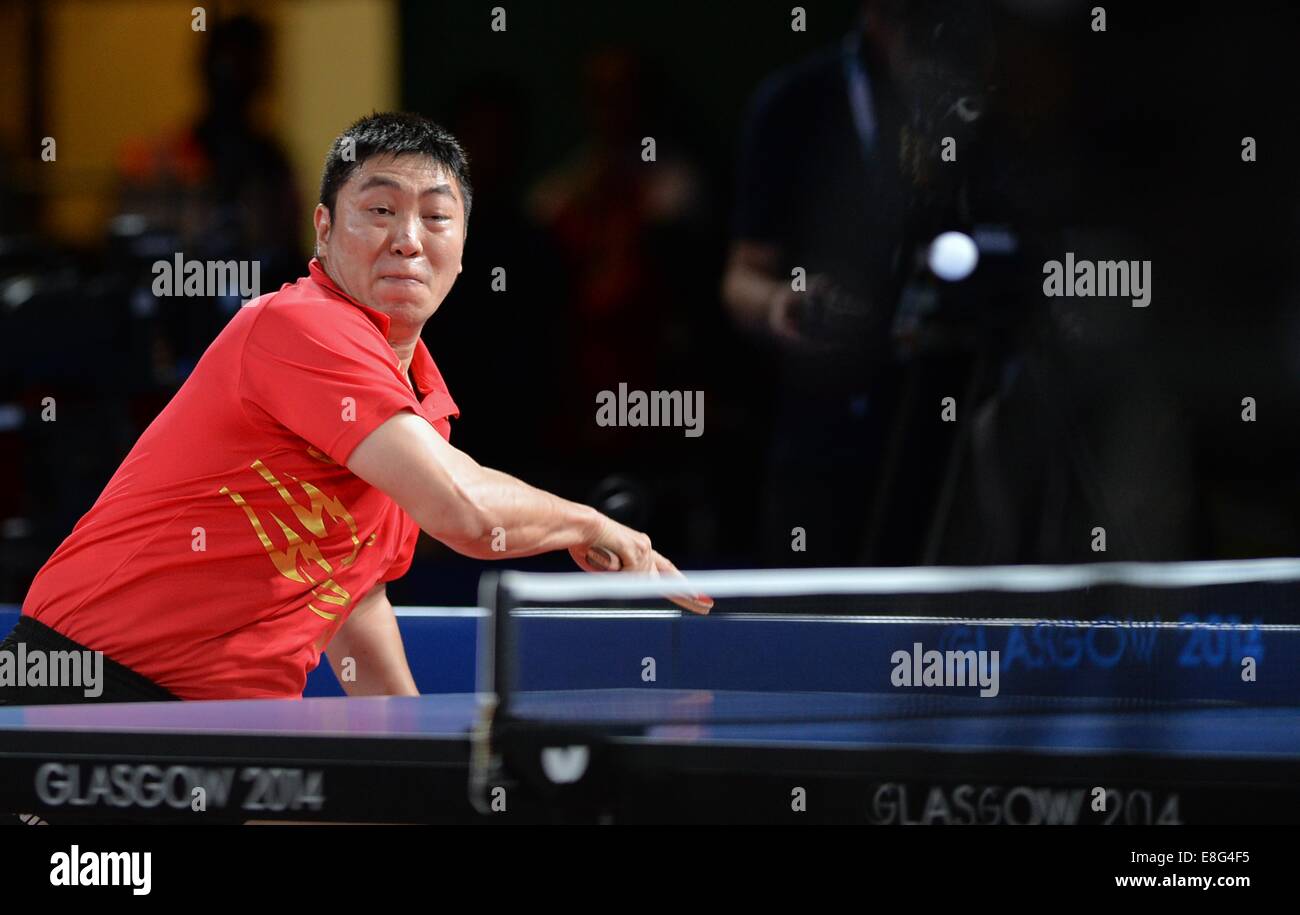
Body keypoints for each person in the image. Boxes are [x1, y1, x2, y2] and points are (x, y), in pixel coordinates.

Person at [2, 112, 702, 707]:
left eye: (436, 217)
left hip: (224, 737)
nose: (408, 239)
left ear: (461, 251)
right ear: (323, 231)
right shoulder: (298, 324)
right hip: (87, 694)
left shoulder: (420, 417)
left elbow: (350, 595)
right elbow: (466, 511)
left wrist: (414, 756)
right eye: (380, 210)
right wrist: (589, 522)